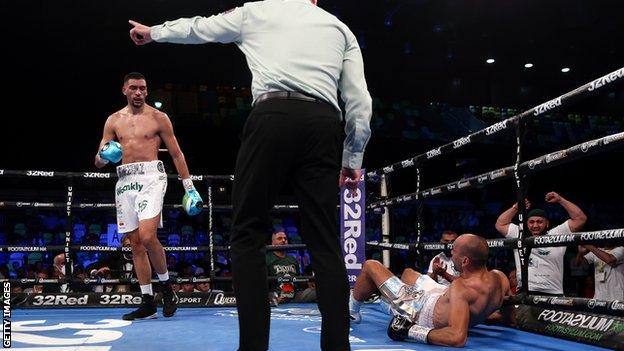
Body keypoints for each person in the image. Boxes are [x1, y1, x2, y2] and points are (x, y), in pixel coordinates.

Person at [129, 1, 372, 349]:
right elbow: (360, 101)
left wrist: (153, 32)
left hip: (271, 117)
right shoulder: (337, 26)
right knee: (324, 240)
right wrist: (353, 156)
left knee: (246, 234)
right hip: (323, 124)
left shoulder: (256, 11)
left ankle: (253, 347)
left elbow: (199, 28)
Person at [95, 72, 204, 320]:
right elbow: (98, 160)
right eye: (133, 88)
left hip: (151, 178)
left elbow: (176, 154)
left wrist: (190, 187)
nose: (138, 93)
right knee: (134, 244)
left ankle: (166, 287)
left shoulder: (158, 118)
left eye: (143, 89)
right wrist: (105, 156)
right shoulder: (113, 120)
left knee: (147, 236)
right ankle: (147, 302)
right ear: (124, 89)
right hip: (124, 180)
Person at [348, 234, 511, 347]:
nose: (451, 253)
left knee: (371, 265)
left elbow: (457, 338)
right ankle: (387, 297)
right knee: (408, 273)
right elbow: (507, 314)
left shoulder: (461, 288)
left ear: (466, 260)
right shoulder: (500, 277)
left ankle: (352, 312)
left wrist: (410, 330)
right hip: (439, 293)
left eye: (454, 250)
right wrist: (480, 316)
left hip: (419, 308)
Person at [494, 192, 587, 295]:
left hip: (553, 292)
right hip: (525, 293)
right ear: (526, 223)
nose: (535, 225)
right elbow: (500, 224)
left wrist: (560, 200)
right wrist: (516, 207)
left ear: (547, 223)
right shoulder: (519, 234)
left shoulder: (556, 234)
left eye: (539, 222)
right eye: (531, 222)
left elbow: (580, 219)